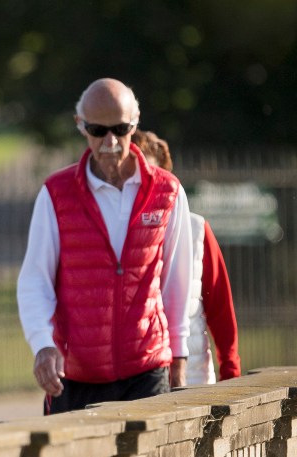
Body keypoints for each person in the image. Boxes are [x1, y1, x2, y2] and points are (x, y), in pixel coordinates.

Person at [16, 78, 194, 414]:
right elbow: (35, 280)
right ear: (80, 126)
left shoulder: (167, 192)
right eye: (98, 130)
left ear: (136, 122)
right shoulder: (56, 193)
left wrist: (179, 357)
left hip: (146, 368)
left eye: (120, 128)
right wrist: (42, 345)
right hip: (74, 374)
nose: (110, 141)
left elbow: (177, 282)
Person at [132, 129, 241, 384]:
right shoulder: (115, 231)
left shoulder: (196, 229)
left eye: (150, 176)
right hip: (137, 381)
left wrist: (230, 370)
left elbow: (220, 306)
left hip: (192, 378)